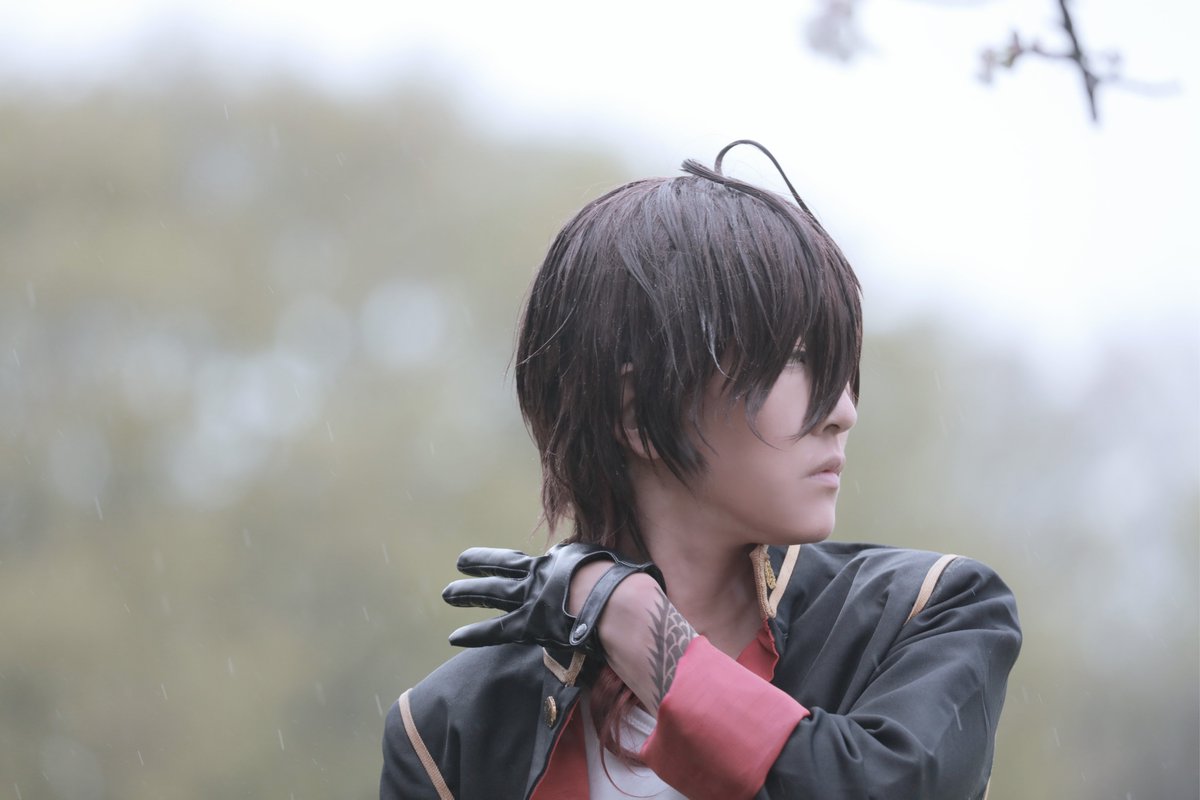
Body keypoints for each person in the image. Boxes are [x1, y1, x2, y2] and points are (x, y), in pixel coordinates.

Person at [379, 140, 1021, 800]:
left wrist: (639, 625)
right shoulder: (448, 732)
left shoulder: (928, 613)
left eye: (839, 365)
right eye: (796, 359)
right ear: (635, 411)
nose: (843, 412)